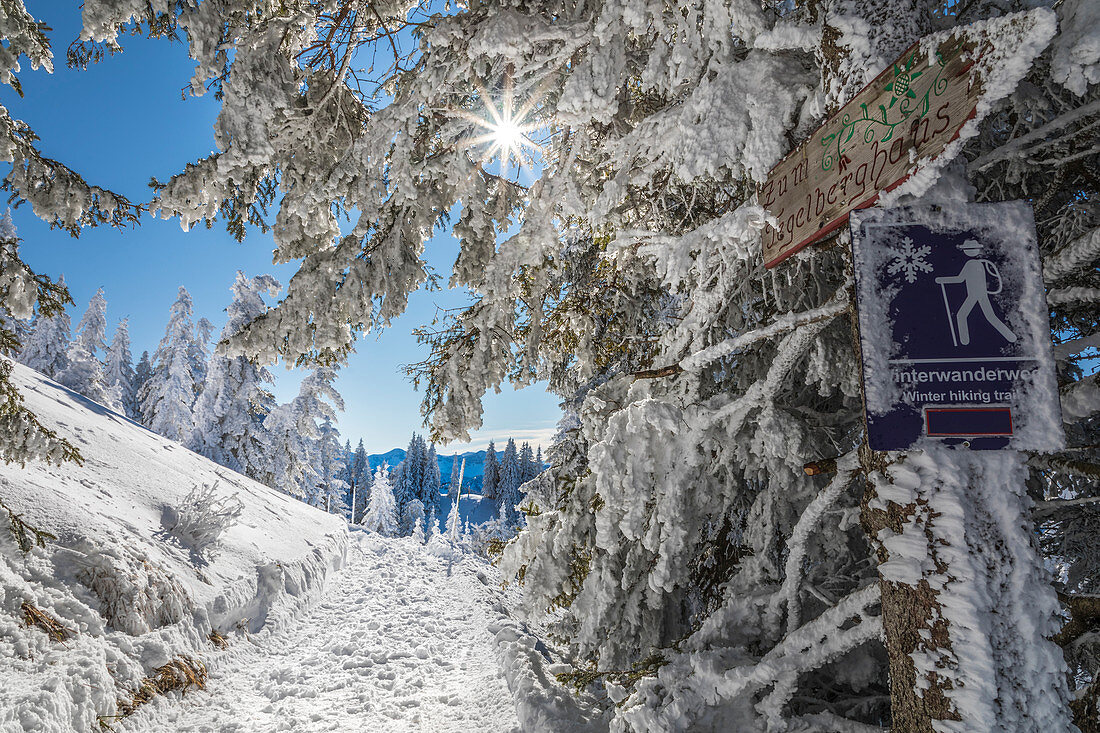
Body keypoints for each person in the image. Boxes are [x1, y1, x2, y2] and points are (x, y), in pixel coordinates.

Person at [935, 239, 1016, 346]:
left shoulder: (970, 264)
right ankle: (1010, 337)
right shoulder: (980, 264)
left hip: (974, 295)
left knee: (962, 315)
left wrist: (942, 280)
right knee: (989, 317)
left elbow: (960, 279)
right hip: (981, 295)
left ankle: (964, 342)